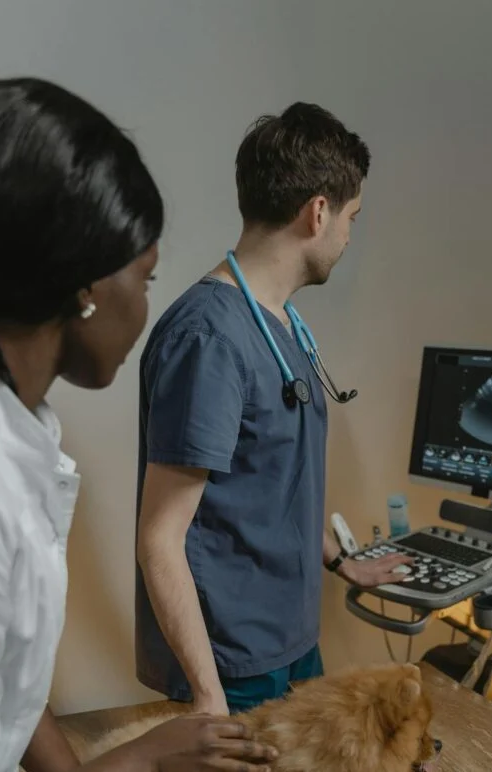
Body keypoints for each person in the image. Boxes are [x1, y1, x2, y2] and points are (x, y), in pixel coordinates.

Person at [0, 78, 276, 772]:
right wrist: (139, 761)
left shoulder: (0, 432)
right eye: (145, 275)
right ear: (85, 287)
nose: (148, 303)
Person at [136, 102, 409, 717]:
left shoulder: (278, 323)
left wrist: (346, 564)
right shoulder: (209, 339)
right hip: (234, 667)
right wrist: (210, 701)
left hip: (290, 645)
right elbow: (160, 538)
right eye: (351, 217)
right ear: (318, 211)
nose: (347, 236)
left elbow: (271, 483)